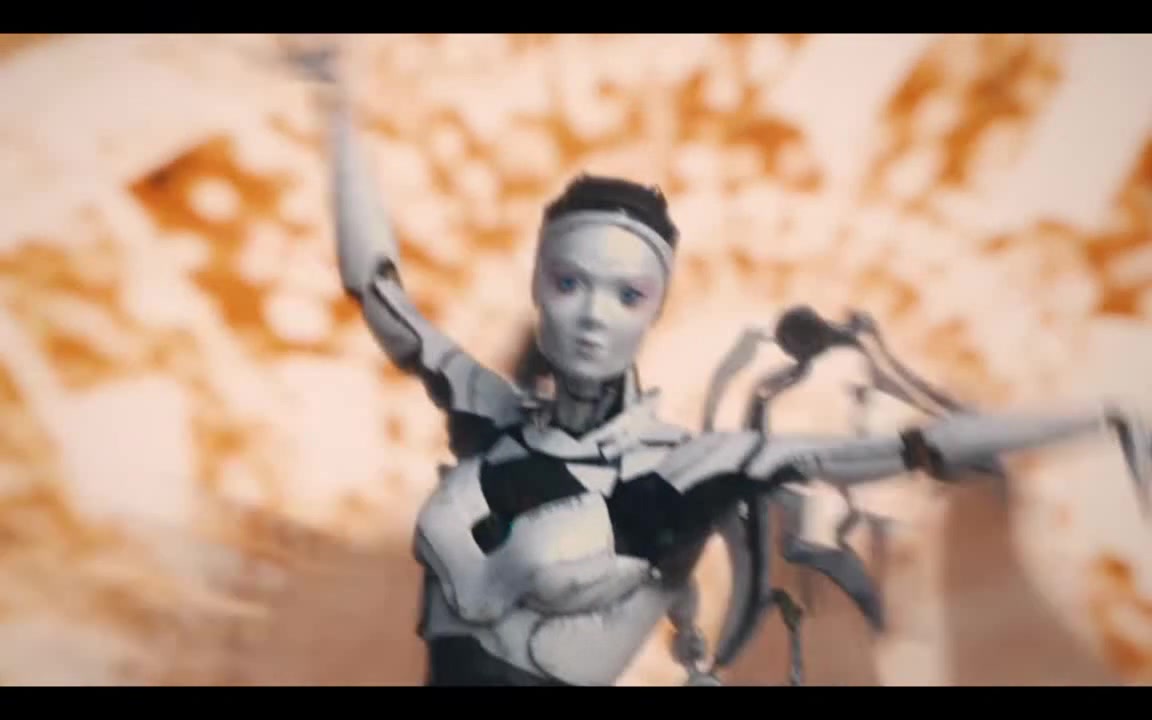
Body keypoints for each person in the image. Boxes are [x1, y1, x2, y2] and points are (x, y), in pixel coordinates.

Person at [291, 46, 1152, 687]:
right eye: (568, 283)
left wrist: (1097, 419)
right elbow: (378, 289)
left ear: (653, 311)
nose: (591, 314)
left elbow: (913, 448)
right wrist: (337, 107)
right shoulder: (485, 412)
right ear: (539, 287)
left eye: (626, 295)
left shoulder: (687, 468)